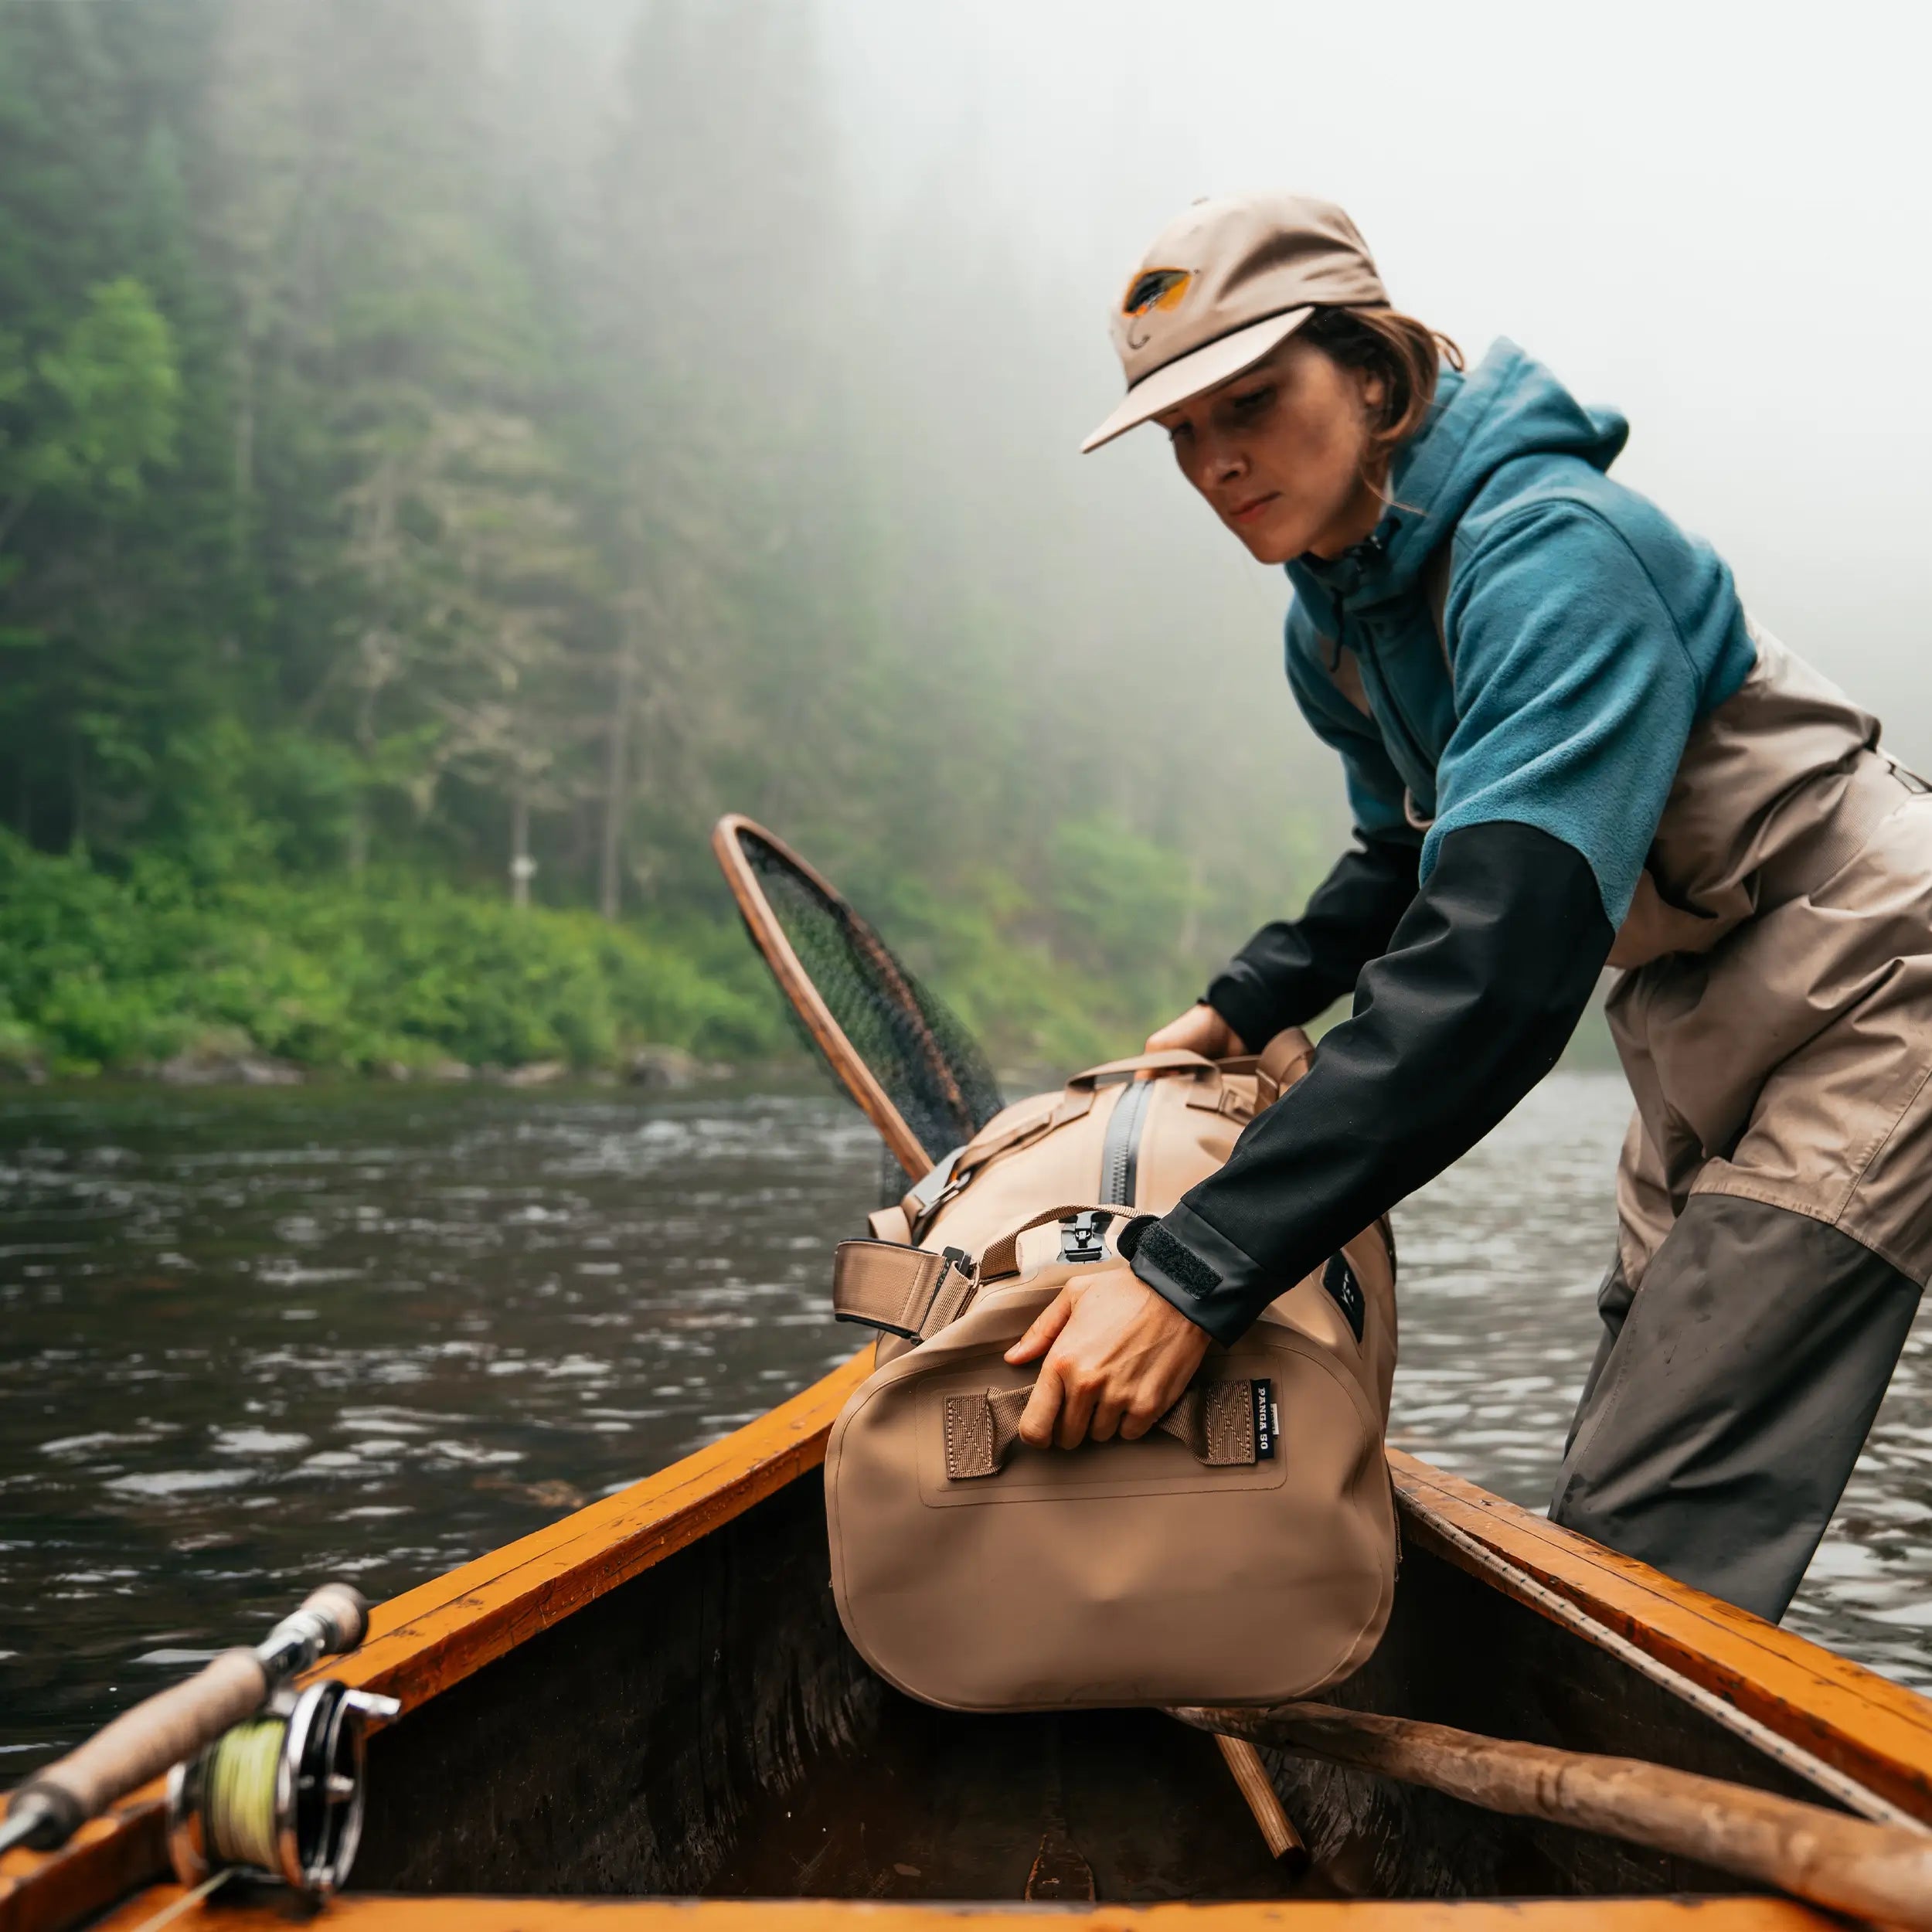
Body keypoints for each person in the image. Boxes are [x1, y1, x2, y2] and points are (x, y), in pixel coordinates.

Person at [1005, 190, 1932, 1622]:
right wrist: (1235, 1011)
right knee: (1624, 1460)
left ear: (1373, 375)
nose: (1214, 460)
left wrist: (1189, 1273)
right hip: (1689, 1014)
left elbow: (1498, 958)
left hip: (1871, 976)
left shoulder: (1557, 553)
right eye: (1179, 431)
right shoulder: (1340, 619)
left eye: (1249, 400)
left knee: (1654, 1521)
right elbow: (1404, 859)